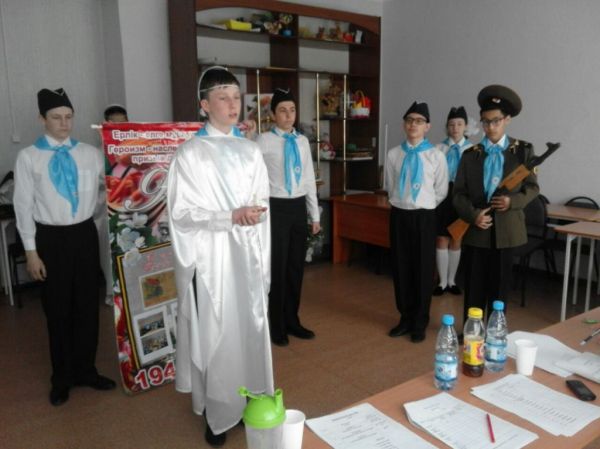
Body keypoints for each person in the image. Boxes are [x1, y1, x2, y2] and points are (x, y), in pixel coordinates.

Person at [167, 66, 273, 447]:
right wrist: (229, 216)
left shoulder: (251, 150)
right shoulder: (190, 154)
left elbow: (261, 203)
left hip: (247, 254)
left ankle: (246, 400)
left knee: (248, 328)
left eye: (236, 97)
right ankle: (217, 412)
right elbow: (182, 213)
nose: (233, 104)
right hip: (210, 259)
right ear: (204, 105)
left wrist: (254, 219)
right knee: (218, 332)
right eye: (223, 97)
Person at [13, 88, 116, 407]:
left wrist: (100, 212)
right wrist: (31, 251)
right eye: (56, 117)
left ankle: (86, 370)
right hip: (50, 238)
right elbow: (22, 205)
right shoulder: (29, 157)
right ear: (42, 119)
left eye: (69, 117)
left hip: (83, 234)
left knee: (87, 306)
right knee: (57, 309)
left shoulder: (89, 154)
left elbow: (103, 192)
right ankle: (61, 377)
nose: (64, 123)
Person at [453, 85, 539, 325]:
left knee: (499, 288)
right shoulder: (470, 154)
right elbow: (458, 194)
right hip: (477, 229)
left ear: (507, 120)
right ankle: (472, 330)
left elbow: (532, 188)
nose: (490, 127)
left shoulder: (523, 151)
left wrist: (512, 201)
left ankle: (494, 332)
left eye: (496, 121)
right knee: (474, 285)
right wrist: (473, 216)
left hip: (507, 231)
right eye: (485, 122)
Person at [255, 88, 320, 347]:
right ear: (273, 114)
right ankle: (276, 325)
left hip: (297, 207)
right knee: (278, 269)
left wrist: (314, 215)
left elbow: (309, 179)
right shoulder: (263, 141)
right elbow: (252, 177)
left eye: (292, 110)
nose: (288, 115)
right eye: (282, 110)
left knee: (295, 268)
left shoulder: (301, 141)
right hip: (276, 208)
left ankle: (293, 320)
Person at [385, 101, 448, 343]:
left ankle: (420, 321)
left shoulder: (436, 156)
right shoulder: (394, 154)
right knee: (401, 267)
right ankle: (405, 317)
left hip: (424, 216)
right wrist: (403, 202)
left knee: (423, 268)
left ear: (427, 127)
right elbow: (390, 185)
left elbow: (440, 190)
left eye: (419, 121)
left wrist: (423, 205)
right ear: (404, 124)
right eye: (410, 120)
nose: (414, 124)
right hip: (399, 214)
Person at [433, 106, 472, 296]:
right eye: (451, 124)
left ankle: (452, 281)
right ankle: (441, 283)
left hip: (463, 196)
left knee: (457, 237)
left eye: (459, 124)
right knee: (441, 238)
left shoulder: (473, 150)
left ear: (465, 127)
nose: (455, 128)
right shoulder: (438, 148)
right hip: (442, 195)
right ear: (446, 127)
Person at [98, 104, 129, 306]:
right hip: (107, 209)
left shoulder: (136, 148)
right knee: (110, 251)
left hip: (132, 208)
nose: (120, 127)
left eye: (123, 123)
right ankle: (112, 292)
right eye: (114, 124)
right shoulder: (99, 152)